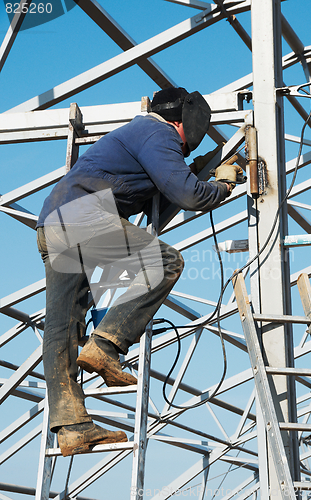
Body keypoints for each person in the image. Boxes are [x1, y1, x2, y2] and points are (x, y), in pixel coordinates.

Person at [36, 86, 242, 457]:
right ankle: (105, 346)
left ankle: (71, 427)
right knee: (166, 262)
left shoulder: (139, 135)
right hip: (83, 216)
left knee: (61, 326)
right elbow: (189, 195)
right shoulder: (159, 132)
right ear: (187, 121)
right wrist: (222, 186)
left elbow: (165, 188)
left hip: (54, 223)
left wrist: (192, 173)